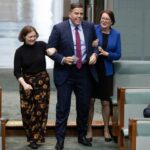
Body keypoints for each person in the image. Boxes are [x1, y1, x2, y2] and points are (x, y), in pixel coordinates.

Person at [47, 3, 98, 150]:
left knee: (83, 106)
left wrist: (95, 53)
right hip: (65, 73)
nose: (79, 16)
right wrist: (62, 59)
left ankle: (81, 136)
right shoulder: (59, 28)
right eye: (76, 13)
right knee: (63, 107)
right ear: (70, 13)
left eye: (81, 14)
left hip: (84, 73)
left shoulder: (89, 27)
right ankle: (60, 140)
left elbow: (95, 44)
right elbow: (50, 49)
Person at [14, 25, 51, 149]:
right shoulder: (19, 52)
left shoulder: (41, 45)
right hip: (26, 83)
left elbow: (53, 53)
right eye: (30, 36)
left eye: (34, 36)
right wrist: (24, 84)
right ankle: (30, 136)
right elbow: (17, 72)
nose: (33, 39)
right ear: (24, 37)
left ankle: (36, 138)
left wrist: (59, 55)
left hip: (42, 81)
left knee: (40, 110)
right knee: (27, 111)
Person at [86, 10, 121, 142]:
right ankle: (89, 129)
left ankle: (106, 129)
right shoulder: (92, 29)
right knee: (90, 101)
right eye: (102, 18)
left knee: (106, 102)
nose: (104, 21)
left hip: (106, 71)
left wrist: (107, 54)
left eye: (107, 19)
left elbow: (118, 54)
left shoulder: (116, 34)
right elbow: (86, 46)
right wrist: (92, 47)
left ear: (111, 21)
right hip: (92, 70)